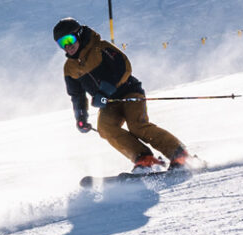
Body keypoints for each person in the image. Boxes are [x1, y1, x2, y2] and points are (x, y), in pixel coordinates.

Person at [54, 18, 191, 172]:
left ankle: (179, 154)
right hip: (109, 103)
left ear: (79, 34)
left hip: (129, 92)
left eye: (69, 39)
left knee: (137, 126)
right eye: (61, 43)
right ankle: (144, 159)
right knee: (105, 128)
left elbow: (124, 68)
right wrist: (81, 117)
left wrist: (105, 91)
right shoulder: (70, 68)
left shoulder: (100, 47)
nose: (68, 46)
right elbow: (77, 95)